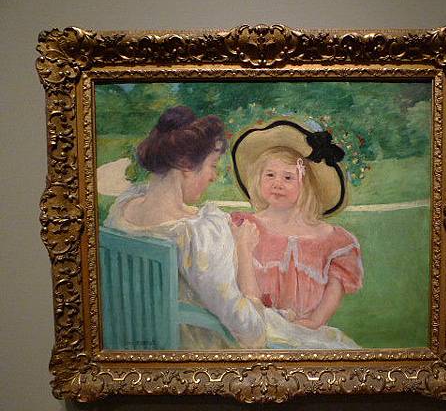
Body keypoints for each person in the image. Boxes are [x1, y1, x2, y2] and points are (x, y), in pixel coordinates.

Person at [104, 107, 358, 349]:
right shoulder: (202, 233)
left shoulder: (124, 208)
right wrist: (244, 250)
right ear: (185, 166)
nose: (214, 176)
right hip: (202, 345)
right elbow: (250, 331)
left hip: (144, 338)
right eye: (213, 165)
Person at [231, 120, 363, 330]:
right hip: (257, 327)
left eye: (288, 177)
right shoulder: (246, 226)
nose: (277, 184)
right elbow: (242, 296)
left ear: (306, 184)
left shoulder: (333, 240)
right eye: (270, 175)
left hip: (305, 331)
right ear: (258, 179)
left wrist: (314, 322)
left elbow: (334, 288)